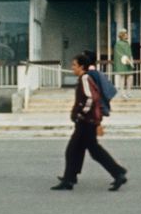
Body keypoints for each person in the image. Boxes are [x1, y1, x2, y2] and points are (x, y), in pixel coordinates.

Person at [53, 51, 128, 191]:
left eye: (74, 65)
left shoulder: (85, 78)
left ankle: (118, 172)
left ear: (82, 67)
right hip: (88, 121)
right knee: (78, 149)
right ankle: (70, 178)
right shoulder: (84, 78)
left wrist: (81, 114)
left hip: (86, 122)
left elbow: (90, 98)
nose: (72, 67)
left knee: (80, 150)